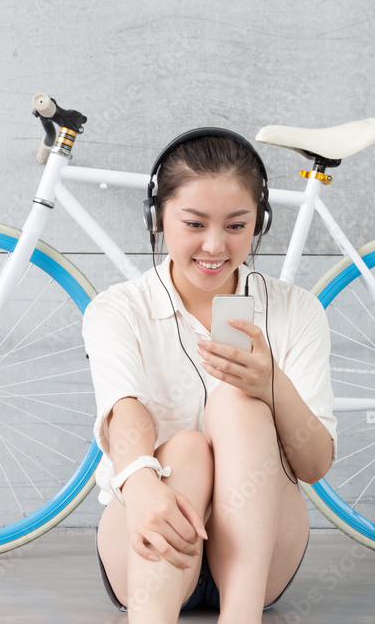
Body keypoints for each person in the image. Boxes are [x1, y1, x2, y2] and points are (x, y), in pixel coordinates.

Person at [83, 128, 337, 624]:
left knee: (240, 403)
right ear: (158, 216)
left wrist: (272, 387)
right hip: (147, 539)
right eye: (194, 223)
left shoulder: (296, 310)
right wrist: (140, 484)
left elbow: (315, 464)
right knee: (185, 451)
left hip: (261, 560)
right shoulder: (118, 309)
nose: (215, 246)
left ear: (259, 223)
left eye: (237, 226)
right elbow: (124, 412)